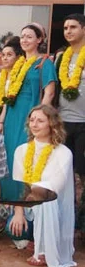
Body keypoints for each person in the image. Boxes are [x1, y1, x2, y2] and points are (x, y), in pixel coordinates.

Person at [7, 105, 76, 267]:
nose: (34, 124)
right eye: (31, 120)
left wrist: (36, 192)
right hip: (28, 206)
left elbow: (53, 188)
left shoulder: (63, 153)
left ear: (52, 124)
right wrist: (18, 213)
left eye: (40, 121)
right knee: (14, 228)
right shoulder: (22, 151)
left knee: (44, 196)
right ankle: (33, 239)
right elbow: (19, 186)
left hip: (53, 208)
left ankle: (44, 249)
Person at [1, 23, 57, 200]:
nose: (24, 40)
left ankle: (24, 209)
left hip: (30, 116)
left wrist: (38, 117)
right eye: (22, 36)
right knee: (10, 157)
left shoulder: (44, 63)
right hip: (12, 117)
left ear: (39, 40)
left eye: (29, 36)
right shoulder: (18, 64)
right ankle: (8, 207)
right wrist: (1, 120)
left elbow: (50, 92)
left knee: (26, 158)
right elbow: (8, 93)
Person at [55, 14, 85, 238]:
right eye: (65, 28)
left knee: (82, 175)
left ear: (83, 29)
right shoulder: (60, 57)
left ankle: (80, 227)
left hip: (84, 123)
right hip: (64, 123)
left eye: (73, 27)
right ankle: (64, 223)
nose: (68, 31)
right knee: (62, 175)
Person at [0, 37, 23, 126]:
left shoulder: (20, 78)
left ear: (18, 57)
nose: (5, 58)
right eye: (3, 55)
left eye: (9, 55)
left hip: (13, 121)